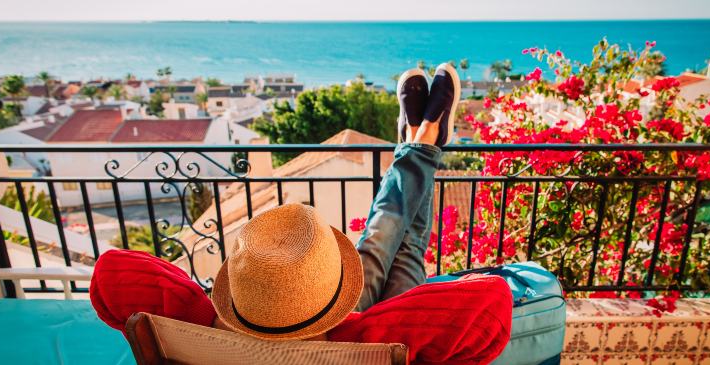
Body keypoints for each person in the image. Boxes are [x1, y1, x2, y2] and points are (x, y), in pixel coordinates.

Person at [91, 64, 513, 365]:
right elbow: (492, 302)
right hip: (344, 336)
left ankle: (421, 144)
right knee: (382, 245)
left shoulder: (194, 340)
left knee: (397, 251)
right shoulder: (362, 337)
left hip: (317, 337)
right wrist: (356, 331)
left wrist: (207, 321)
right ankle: (422, 143)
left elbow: (110, 271)